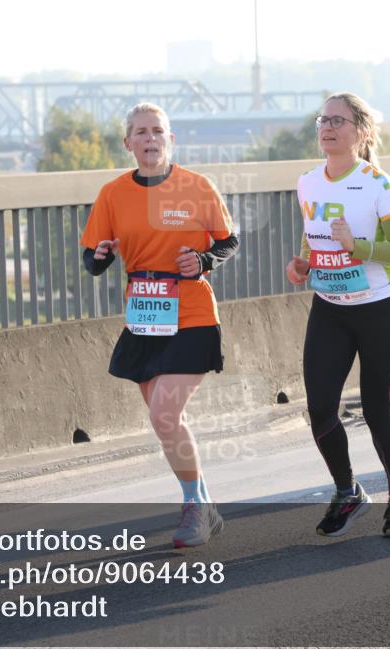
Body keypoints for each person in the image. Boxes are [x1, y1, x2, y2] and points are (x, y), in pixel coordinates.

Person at [80, 102, 239, 548]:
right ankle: (204, 504)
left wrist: (203, 260)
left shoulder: (197, 187)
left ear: (171, 139)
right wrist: (100, 257)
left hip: (192, 312)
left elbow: (229, 241)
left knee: (164, 413)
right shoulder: (113, 194)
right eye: (141, 132)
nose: (150, 138)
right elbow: (92, 258)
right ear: (128, 143)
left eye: (158, 131)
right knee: (167, 421)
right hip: (145, 315)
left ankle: (194, 507)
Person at [284, 93, 390, 538]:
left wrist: (357, 247)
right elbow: (312, 239)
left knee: (377, 409)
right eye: (323, 120)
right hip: (331, 308)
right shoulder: (308, 182)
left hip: (382, 307)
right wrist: (302, 264)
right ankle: (347, 492)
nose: (327, 127)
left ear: (361, 132)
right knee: (320, 408)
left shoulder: (376, 183)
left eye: (338, 120)